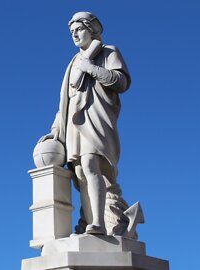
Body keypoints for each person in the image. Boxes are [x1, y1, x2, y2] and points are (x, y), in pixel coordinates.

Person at [39, 12, 131, 235]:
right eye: (71, 32)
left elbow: (121, 82)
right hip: (74, 124)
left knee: (91, 164)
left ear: (92, 29)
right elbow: (66, 103)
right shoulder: (72, 63)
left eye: (79, 29)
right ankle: (89, 220)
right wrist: (55, 130)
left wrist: (90, 67)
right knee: (80, 174)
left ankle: (99, 223)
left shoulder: (108, 52)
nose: (75, 35)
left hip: (96, 118)